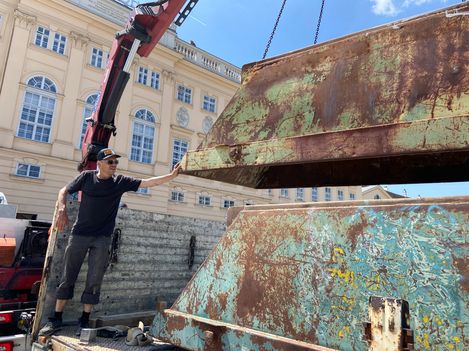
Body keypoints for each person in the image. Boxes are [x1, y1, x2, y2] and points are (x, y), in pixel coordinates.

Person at [38, 148, 180, 336]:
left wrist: (171, 175)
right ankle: (56, 318)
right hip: (80, 234)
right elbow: (63, 190)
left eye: (115, 162)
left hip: (102, 238)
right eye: (110, 162)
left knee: (94, 279)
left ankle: (84, 320)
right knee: (68, 275)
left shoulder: (120, 182)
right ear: (100, 163)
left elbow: (148, 183)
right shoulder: (87, 178)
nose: (114, 165)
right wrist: (62, 209)